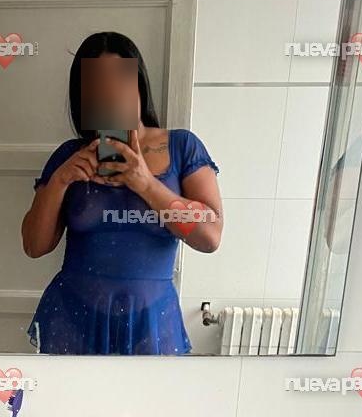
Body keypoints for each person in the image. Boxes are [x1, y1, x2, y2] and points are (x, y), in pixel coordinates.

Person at [21, 31, 223, 355]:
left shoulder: (181, 147)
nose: (111, 96)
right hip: (73, 319)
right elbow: (34, 245)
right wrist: (60, 181)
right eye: (97, 88)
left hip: (151, 323)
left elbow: (209, 236)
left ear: (139, 86)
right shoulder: (69, 156)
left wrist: (146, 183)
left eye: (120, 83)